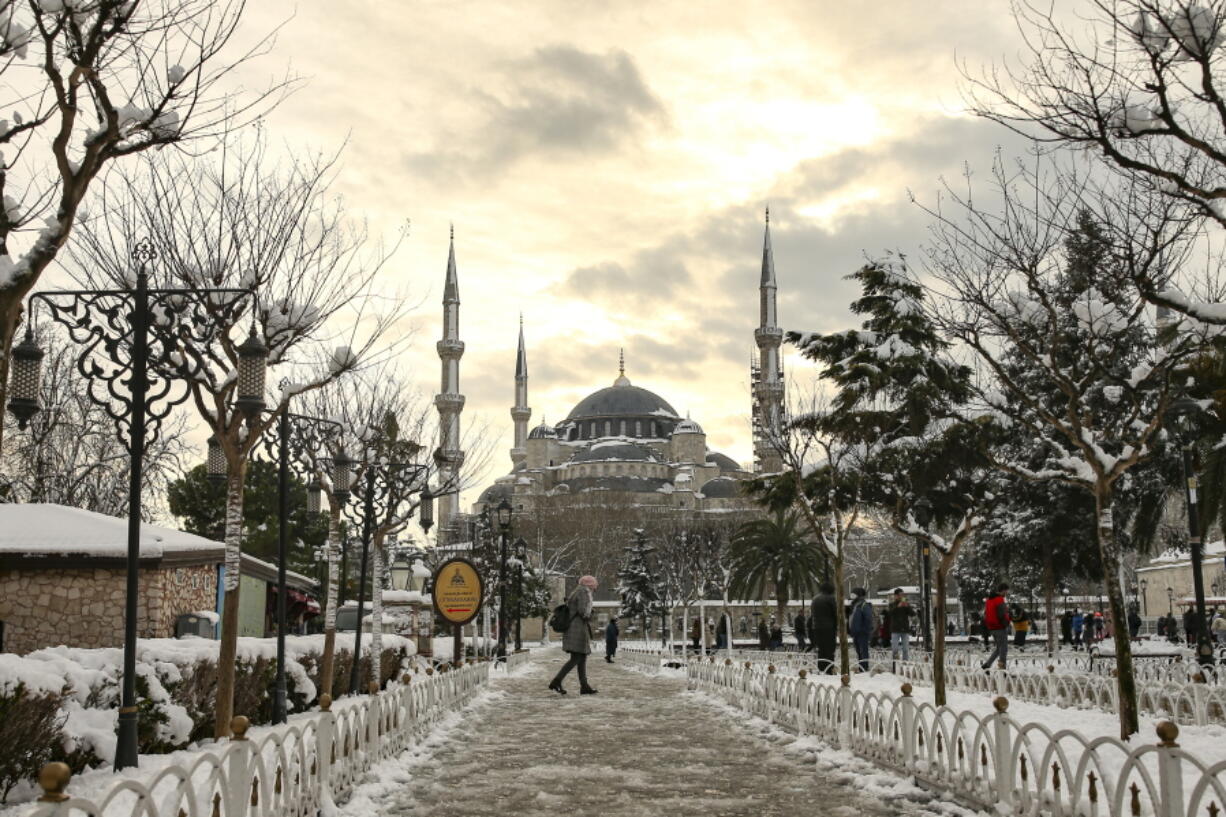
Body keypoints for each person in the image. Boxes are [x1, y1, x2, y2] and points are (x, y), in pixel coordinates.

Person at [548, 575, 598, 695]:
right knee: (576, 658)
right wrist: (591, 613)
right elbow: (583, 611)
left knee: (581, 657)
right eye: (594, 587)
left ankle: (584, 686)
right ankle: (556, 681)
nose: (594, 590)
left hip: (575, 629)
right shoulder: (583, 592)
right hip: (577, 630)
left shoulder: (577, 591)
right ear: (590, 585)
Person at [981, 583, 1011, 671]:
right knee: (1003, 649)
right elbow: (1002, 614)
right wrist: (1007, 622)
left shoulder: (989, 600)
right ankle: (1002, 669)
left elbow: (986, 613)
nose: (1007, 592)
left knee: (999, 648)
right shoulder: (999, 599)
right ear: (1003, 590)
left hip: (992, 627)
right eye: (1006, 590)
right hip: (1000, 627)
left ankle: (987, 664)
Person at [811, 582, 839, 673]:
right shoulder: (830, 598)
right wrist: (837, 625)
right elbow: (835, 613)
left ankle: (821, 668)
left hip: (817, 627)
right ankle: (829, 669)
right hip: (829, 627)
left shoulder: (815, 599)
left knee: (821, 649)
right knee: (829, 649)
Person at [848, 587, 874, 671]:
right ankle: (861, 668)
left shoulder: (863, 605)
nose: (851, 596)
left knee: (863, 651)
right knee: (859, 652)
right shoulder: (854, 605)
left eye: (853, 594)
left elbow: (868, 618)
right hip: (856, 633)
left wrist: (864, 629)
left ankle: (864, 668)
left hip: (862, 632)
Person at [887, 588, 915, 662]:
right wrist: (897, 607)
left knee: (905, 649)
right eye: (899, 595)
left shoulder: (905, 604)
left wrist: (907, 607)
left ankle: (905, 663)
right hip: (895, 629)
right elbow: (889, 614)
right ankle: (895, 664)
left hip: (905, 629)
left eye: (902, 595)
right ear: (895, 596)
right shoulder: (891, 604)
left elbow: (912, 614)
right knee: (895, 648)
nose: (901, 596)